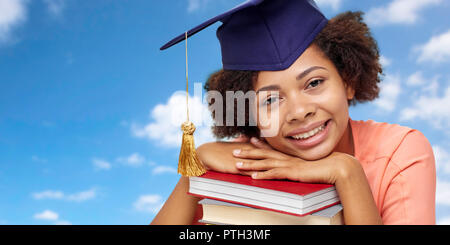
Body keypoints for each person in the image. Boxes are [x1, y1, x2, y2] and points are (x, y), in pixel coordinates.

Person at [151, 0, 436, 225]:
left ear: (348, 81)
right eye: (271, 100)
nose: (299, 112)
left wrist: (347, 173)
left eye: (314, 83)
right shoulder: (246, 162)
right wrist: (196, 171)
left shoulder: (399, 155)